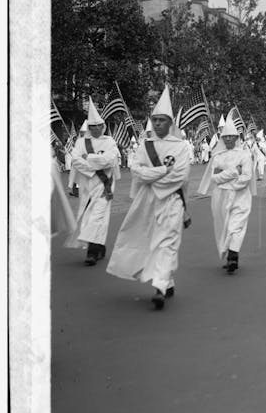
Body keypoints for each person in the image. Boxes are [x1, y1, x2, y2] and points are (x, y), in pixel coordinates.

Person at [106, 85, 191, 310]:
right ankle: (167, 280)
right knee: (151, 240)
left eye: (162, 120)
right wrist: (162, 171)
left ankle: (160, 287)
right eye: (155, 120)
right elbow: (135, 169)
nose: (158, 124)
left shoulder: (181, 147)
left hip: (172, 200)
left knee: (167, 242)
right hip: (147, 202)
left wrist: (151, 177)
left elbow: (179, 177)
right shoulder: (145, 145)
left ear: (170, 123)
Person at [197, 116, 256, 274]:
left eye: (232, 136)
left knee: (236, 226)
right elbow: (214, 177)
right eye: (226, 136)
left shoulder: (244, 155)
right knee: (223, 226)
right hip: (220, 197)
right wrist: (234, 172)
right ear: (222, 138)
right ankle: (229, 251)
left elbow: (246, 177)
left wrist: (227, 177)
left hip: (240, 196)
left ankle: (233, 256)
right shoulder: (217, 156)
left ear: (237, 138)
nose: (229, 139)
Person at [65, 98, 120, 265]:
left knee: (98, 217)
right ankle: (99, 246)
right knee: (89, 218)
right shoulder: (81, 142)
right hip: (87, 186)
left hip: (105, 185)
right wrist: (97, 161)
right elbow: (75, 160)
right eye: (92, 126)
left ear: (103, 126)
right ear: (89, 128)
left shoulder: (109, 141)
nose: (96, 129)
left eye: (99, 126)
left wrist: (88, 158)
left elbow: (110, 160)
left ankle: (92, 252)